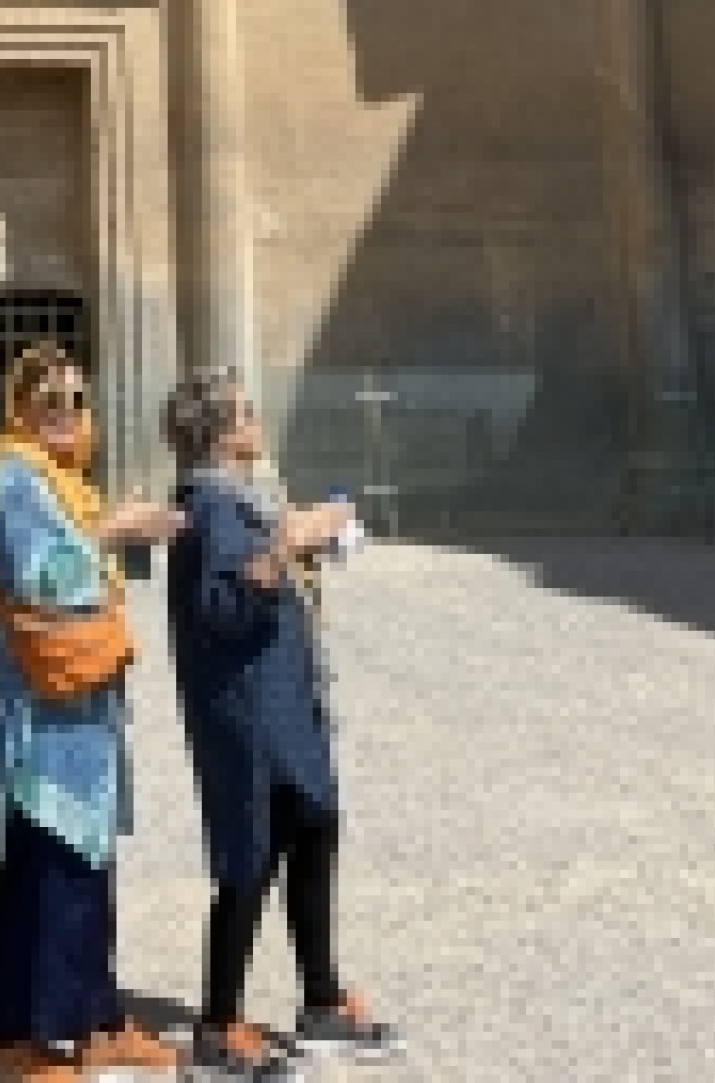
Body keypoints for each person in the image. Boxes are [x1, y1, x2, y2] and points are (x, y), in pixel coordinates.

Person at [162, 369, 400, 1069]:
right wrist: (285, 547)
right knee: (252, 851)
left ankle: (321, 999)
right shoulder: (210, 506)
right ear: (220, 432)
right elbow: (222, 607)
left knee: (314, 828)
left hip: (284, 701)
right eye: (245, 412)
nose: (255, 419)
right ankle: (218, 1025)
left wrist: (310, 536)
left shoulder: (245, 498)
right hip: (247, 710)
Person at [0, 343, 186, 1082]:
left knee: (83, 863)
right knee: (46, 862)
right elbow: (45, 577)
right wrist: (114, 533)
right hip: (40, 707)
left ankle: (94, 1018)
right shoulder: (13, 476)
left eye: (75, 400)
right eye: (48, 401)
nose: (64, 413)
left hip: (79, 705)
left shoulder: (67, 482)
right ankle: (24, 1039)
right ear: (20, 408)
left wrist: (117, 528)